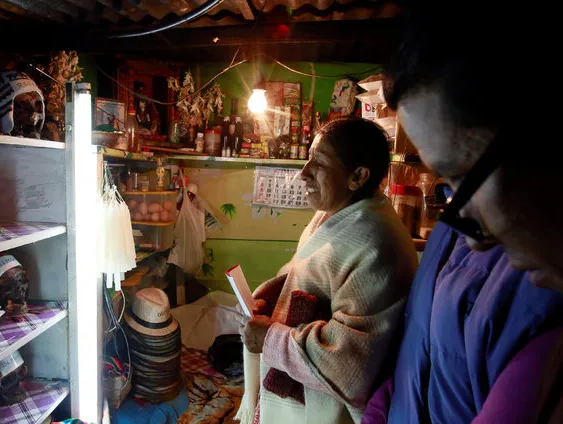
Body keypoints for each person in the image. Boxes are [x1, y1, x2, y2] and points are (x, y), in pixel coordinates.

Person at [362, 1, 563, 422]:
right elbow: (413, 359)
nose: (475, 239)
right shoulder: (447, 236)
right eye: (449, 186)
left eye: (462, 176)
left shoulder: (541, 298)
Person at [237, 118, 419, 424]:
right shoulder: (334, 215)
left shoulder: (375, 242)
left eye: (318, 163)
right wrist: (271, 298)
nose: (304, 173)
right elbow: (307, 274)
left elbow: (349, 364)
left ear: (358, 176)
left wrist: (270, 338)